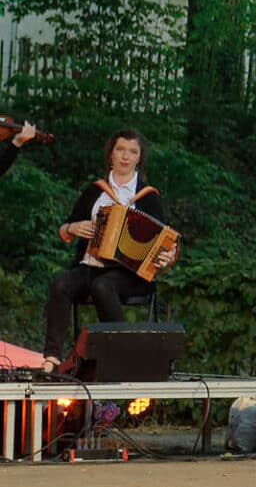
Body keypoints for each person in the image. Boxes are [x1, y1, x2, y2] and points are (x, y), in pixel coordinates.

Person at [42, 128, 178, 371]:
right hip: (91, 264)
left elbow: (165, 244)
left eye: (132, 152)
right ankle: (52, 358)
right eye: (120, 149)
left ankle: (125, 357)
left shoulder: (148, 197)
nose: (126, 156)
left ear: (139, 158)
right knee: (61, 283)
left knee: (103, 286)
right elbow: (64, 230)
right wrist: (74, 227)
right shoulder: (95, 191)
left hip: (130, 275)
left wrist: (168, 257)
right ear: (111, 155)